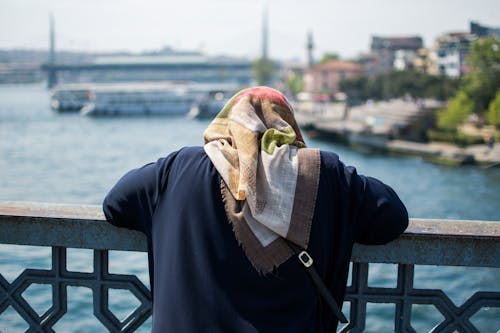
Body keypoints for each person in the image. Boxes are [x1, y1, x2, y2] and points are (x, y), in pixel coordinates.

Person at [103, 86, 408, 332]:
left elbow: (115, 205)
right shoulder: (324, 172)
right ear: (287, 127)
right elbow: (393, 217)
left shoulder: (175, 169)